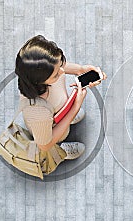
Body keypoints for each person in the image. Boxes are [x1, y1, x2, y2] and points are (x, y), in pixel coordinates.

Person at [15, 35, 107, 174]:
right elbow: (44, 144)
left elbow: (60, 66)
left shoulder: (45, 69)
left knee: (65, 114)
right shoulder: (38, 111)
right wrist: (75, 108)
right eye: (56, 74)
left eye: (60, 64)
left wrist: (80, 69)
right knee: (61, 135)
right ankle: (60, 150)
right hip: (51, 126)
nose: (63, 71)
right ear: (40, 81)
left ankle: (66, 114)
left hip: (58, 111)